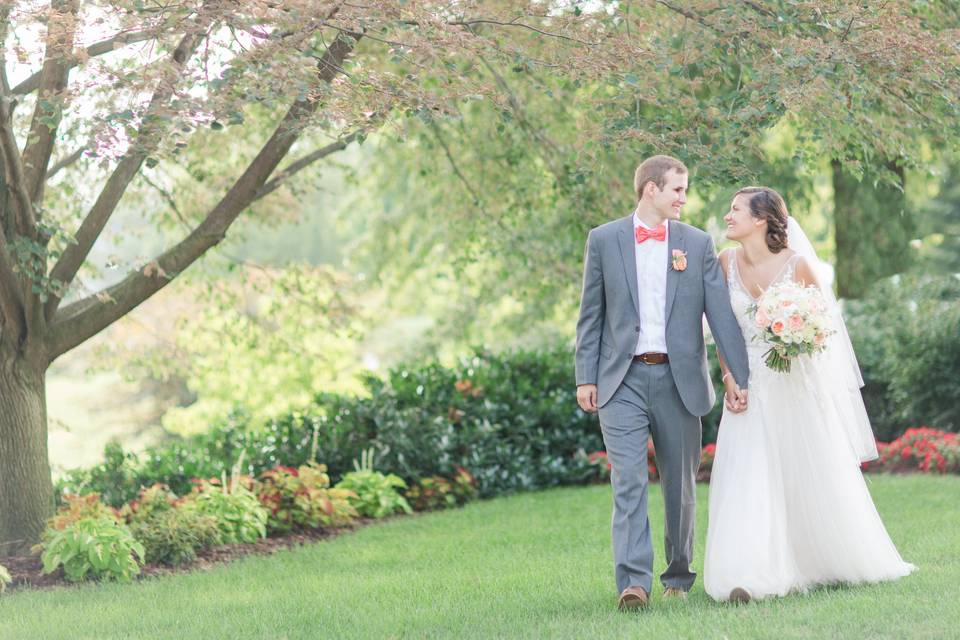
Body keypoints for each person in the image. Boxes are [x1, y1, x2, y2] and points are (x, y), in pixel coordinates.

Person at [704, 186, 915, 603]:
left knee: (805, 475)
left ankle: (820, 561)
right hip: (746, 388)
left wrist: (795, 338)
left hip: (794, 386)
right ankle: (748, 573)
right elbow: (722, 331)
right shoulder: (724, 262)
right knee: (748, 475)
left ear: (761, 219)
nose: (727, 217)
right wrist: (728, 376)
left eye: (735, 210)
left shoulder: (798, 266)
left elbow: (827, 332)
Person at [575, 155, 749, 611]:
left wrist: (737, 374)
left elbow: (721, 315)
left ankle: (677, 574)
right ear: (650, 189)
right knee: (628, 481)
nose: (683, 198)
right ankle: (633, 584)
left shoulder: (696, 242)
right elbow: (590, 316)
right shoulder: (604, 239)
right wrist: (584, 377)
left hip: (680, 379)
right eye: (677, 189)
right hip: (621, 380)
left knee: (680, 485)